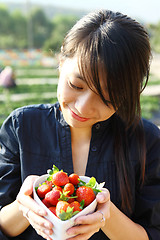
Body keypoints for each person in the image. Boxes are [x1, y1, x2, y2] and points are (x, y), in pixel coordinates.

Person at [0, 9, 160, 240]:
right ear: (61, 62)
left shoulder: (147, 141)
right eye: (76, 85)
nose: (83, 108)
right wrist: (24, 206)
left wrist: (107, 215)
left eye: (107, 97)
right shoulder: (21, 127)